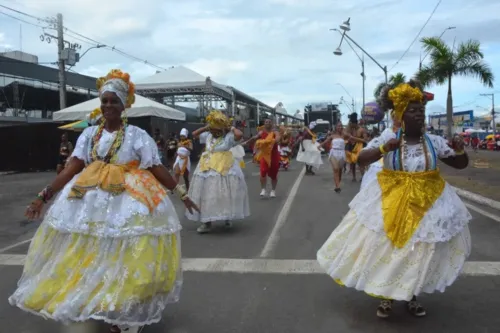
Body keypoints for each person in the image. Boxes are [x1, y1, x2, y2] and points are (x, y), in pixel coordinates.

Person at [9, 69, 199, 333]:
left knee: (125, 256)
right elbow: (71, 168)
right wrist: (44, 196)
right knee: (90, 254)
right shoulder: (88, 136)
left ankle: (125, 315)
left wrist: (183, 194)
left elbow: (156, 167)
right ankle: (97, 302)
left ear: (124, 106)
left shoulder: (137, 135)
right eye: (105, 101)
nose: (108, 106)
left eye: (114, 101)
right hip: (88, 199)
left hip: (127, 199)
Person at [317, 80, 472, 319]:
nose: (419, 114)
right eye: (413, 110)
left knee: (418, 250)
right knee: (390, 248)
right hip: (391, 200)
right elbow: (361, 159)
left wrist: (460, 150)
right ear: (400, 114)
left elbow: (459, 164)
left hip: (427, 203)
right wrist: (383, 150)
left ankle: (411, 295)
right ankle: (387, 296)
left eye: (422, 110)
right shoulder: (388, 139)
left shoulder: (434, 141)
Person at [187, 110, 250, 233]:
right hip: (206, 168)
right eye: (213, 130)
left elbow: (239, 134)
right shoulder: (208, 136)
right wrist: (207, 127)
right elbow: (194, 134)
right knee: (206, 194)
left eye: (217, 130)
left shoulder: (228, 137)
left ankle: (227, 217)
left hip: (224, 168)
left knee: (224, 194)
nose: (214, 132)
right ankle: (207, 222)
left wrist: (229, 127)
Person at [360, 111, 401, 191]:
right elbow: (361, 158)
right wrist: (383, 148)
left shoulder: (429, 139)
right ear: (393, 118)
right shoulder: (388, 134)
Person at [242, 118, 281, 197]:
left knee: (274, 174)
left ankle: (273, 190)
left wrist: (273, 141)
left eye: (269, 122)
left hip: (274, 155)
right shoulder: (261, 132)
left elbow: (278, 138)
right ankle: (263, 189)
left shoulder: (275, 132)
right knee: (263, 171)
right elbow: (254, 138)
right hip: (264, 155)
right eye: (266, 122)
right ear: (264, 123)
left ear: (272, 123)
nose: (268, 123)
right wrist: (246, 142)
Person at [320, 122, 346, 192]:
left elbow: (353, 138)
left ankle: (338, 183)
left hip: (342, 153)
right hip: (334, 152)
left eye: (341, 126)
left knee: (340, 170)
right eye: (338, 126)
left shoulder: (344, 135)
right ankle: (337, 187)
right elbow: (326, 141)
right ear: (336, 127)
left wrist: (363, 140)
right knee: (335, 169)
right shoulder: (332, 135)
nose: (340, 127)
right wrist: (319, 146)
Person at [345, 113, 367, 181]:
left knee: (360, 162)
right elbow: (346, 134)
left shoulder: (362, 130)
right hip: (352, 146)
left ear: (355, 123)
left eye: (351, 123)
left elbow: (365, 140)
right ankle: (354, 177)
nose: (351, 125)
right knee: (352, 163)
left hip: (360, 147)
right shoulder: (352, 129)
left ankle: (363, 176)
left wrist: (354, 138)